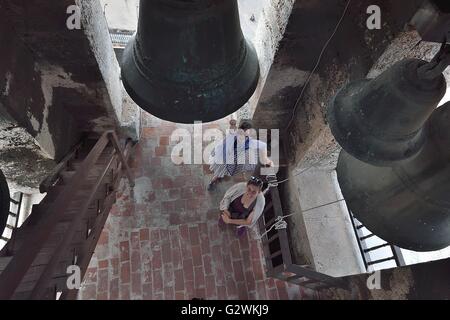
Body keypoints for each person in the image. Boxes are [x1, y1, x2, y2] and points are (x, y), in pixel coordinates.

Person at [208, 119, 273, 191]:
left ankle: (216, 178)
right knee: (219, 172)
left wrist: (232, 124)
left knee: (224, 170)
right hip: (226, 159)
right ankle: (212, 182)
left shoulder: (236, 135)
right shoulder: (243, 140)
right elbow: (261, 145)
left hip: (226, 157)